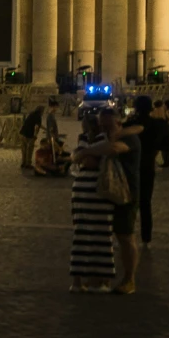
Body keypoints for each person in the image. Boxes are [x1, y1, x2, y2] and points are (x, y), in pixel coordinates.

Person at [68, 106, 128, 294]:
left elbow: (82, 160)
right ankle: (102, 280)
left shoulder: (82, 140)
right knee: (102, 236)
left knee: (80, 234)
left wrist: (82, 154)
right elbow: (93, 161)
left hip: (81, 187)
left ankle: (77, 281)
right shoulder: (104, 140)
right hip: (99, 188)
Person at [124, 95, 169, 249]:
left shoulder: (131, 124)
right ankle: (146, 238)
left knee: (127, 202)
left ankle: (126, 234)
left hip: (131, 167)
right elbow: (166, 146)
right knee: (146, 203)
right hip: (148, 166)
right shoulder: (159, 125)